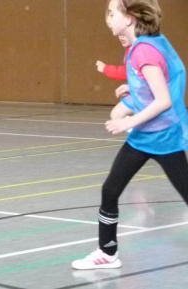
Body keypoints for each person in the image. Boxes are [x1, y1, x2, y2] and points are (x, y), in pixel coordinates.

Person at [72, 0, 188, 269]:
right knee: (110, 189)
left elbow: (163, 100)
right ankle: (108, 252)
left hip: (163, 137)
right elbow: (158, 78)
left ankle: (107, 252)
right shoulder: (145, 45)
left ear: (129, 18)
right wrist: (132, 87)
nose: (107, 18)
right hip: (144, 137)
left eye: (111, 13)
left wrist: (129, 121)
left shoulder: (143, 51)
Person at [96, 36, 134, 121]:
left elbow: (128, 72)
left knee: (117, 115)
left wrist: (106, 69)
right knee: (116, 115)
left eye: (124, 34)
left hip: (145, 94)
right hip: (141, 91)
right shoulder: (130, 49)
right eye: (120, 34)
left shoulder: (137, 50)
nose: (121, 37)